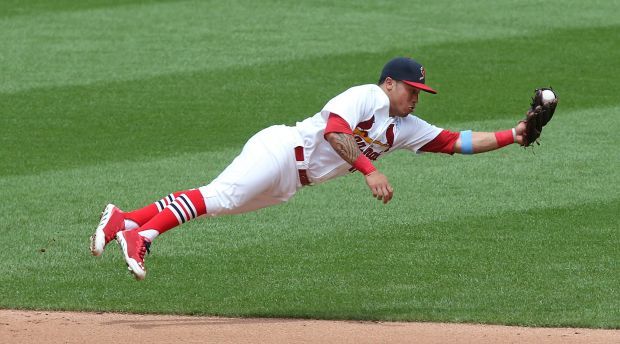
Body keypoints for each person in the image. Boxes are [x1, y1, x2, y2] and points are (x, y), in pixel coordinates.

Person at [90, 57, 528, 280]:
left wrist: (515, 134)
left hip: (291, 181)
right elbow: (335, 132)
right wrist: (369, 170)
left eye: (420, 92)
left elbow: (457, 142)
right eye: (412, 90)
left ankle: (123, 219)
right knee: (219, 196)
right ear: (390, 84)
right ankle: (140, 236)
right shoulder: (368, 97)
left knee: (215, 203)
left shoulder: (405, 126)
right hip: (282, 150)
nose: (416, 98)